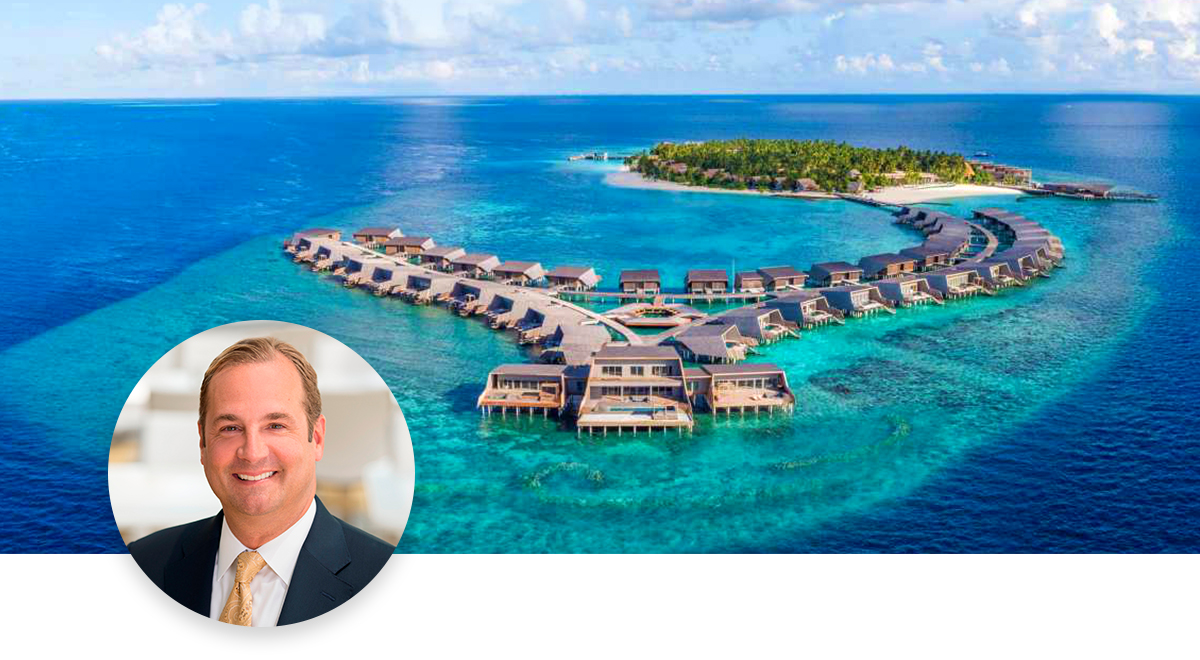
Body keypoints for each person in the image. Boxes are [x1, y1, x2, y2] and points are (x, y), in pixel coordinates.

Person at [128, 337, 394, 626]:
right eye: (230, 428)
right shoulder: (141, 565)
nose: (252, 453)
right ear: (203, 442)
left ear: (316, 438)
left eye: (276, 426)